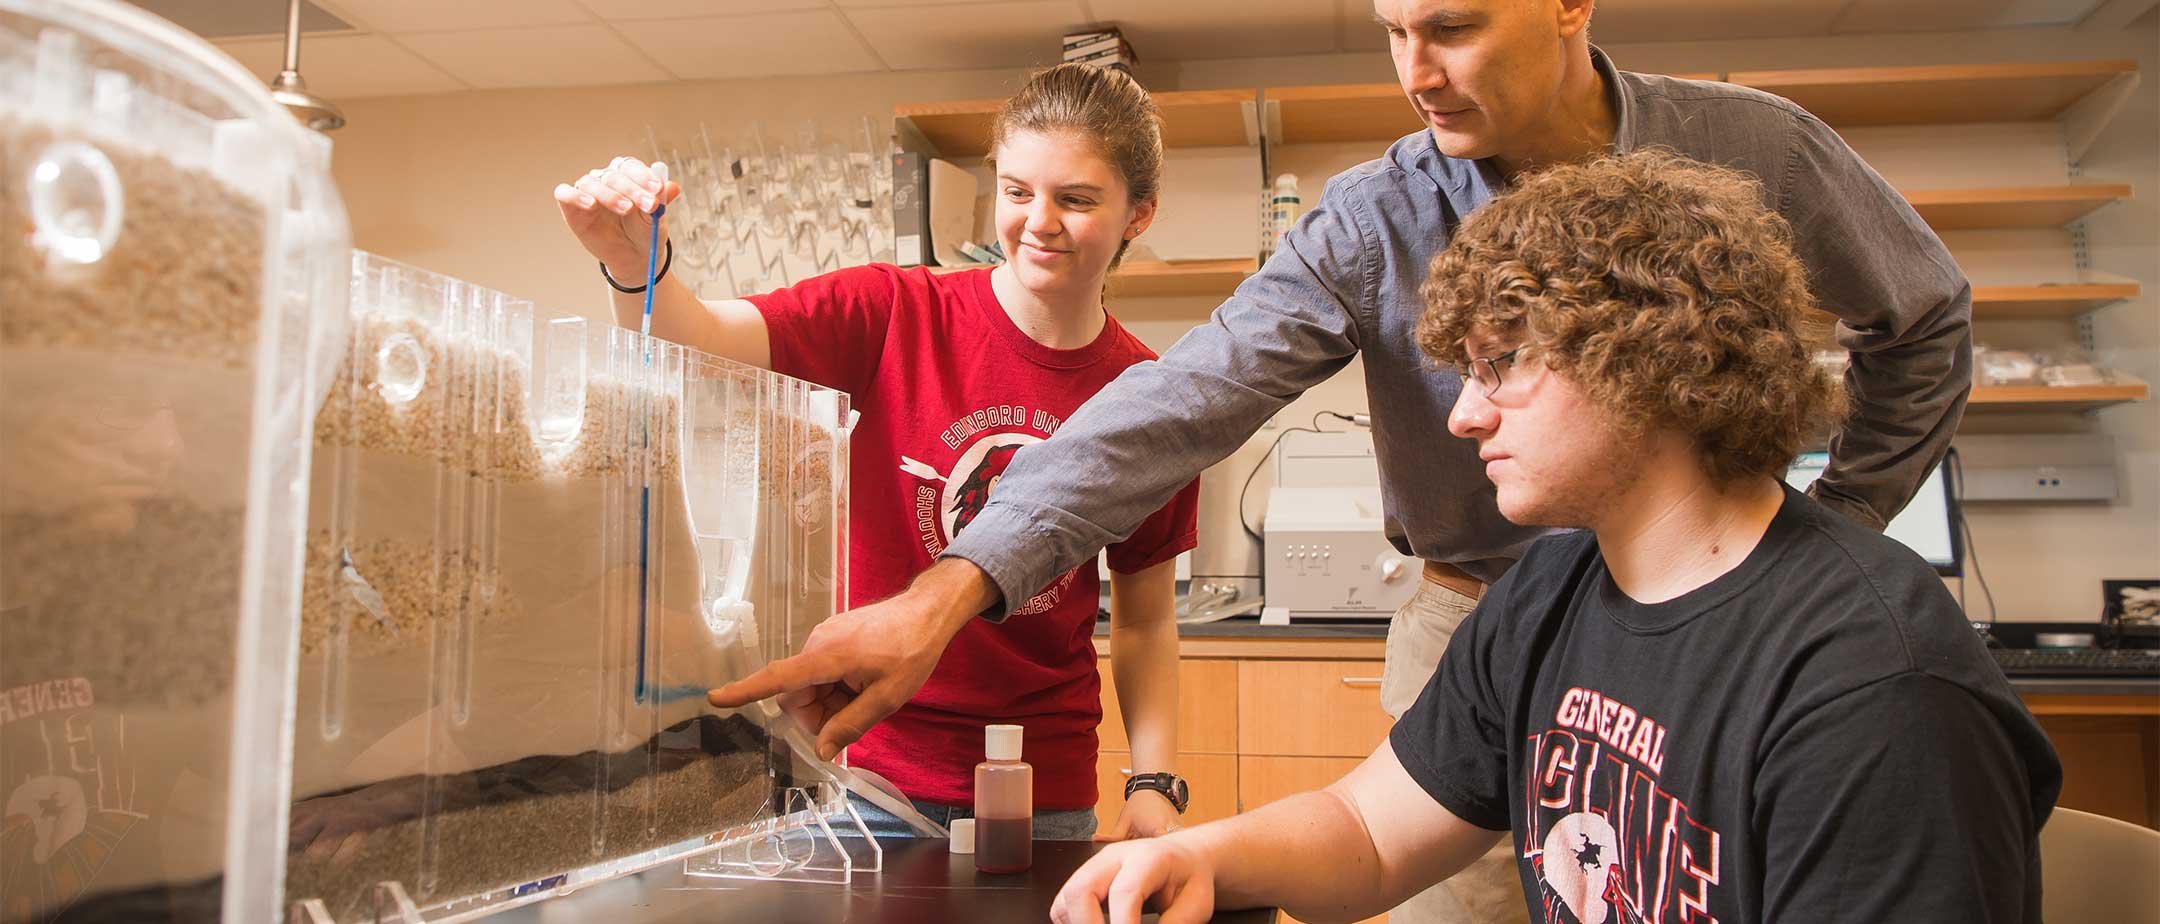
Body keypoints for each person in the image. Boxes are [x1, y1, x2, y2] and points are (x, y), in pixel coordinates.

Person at [710, 0, 1975, 916]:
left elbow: (1921, 319)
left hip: (1740, 628)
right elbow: (1179, 408)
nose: (1415, 71)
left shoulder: (1756, 156)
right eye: (1391, 30)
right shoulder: (1382, 221)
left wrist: (1825, 541)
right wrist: (955, 591)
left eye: (1454, 26)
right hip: (1487, 629)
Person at [1048, 150, 2062, 924]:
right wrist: (1205, 859)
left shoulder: (1876, 688)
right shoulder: (1551, 589)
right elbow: (1370, 829)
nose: (1463, 417)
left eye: (1501, 368)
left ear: (1647, 354)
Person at [553, 62, 1201, 842]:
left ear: (1141, 214)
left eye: (1076, 199)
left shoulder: (1146, 399)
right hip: (863, 778)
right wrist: (634, 265)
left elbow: (1143, 623)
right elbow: (695, 346)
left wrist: (1154, 783)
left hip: (1041, 793)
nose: (1039, 221)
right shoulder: (892, 312)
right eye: (1018, 190)